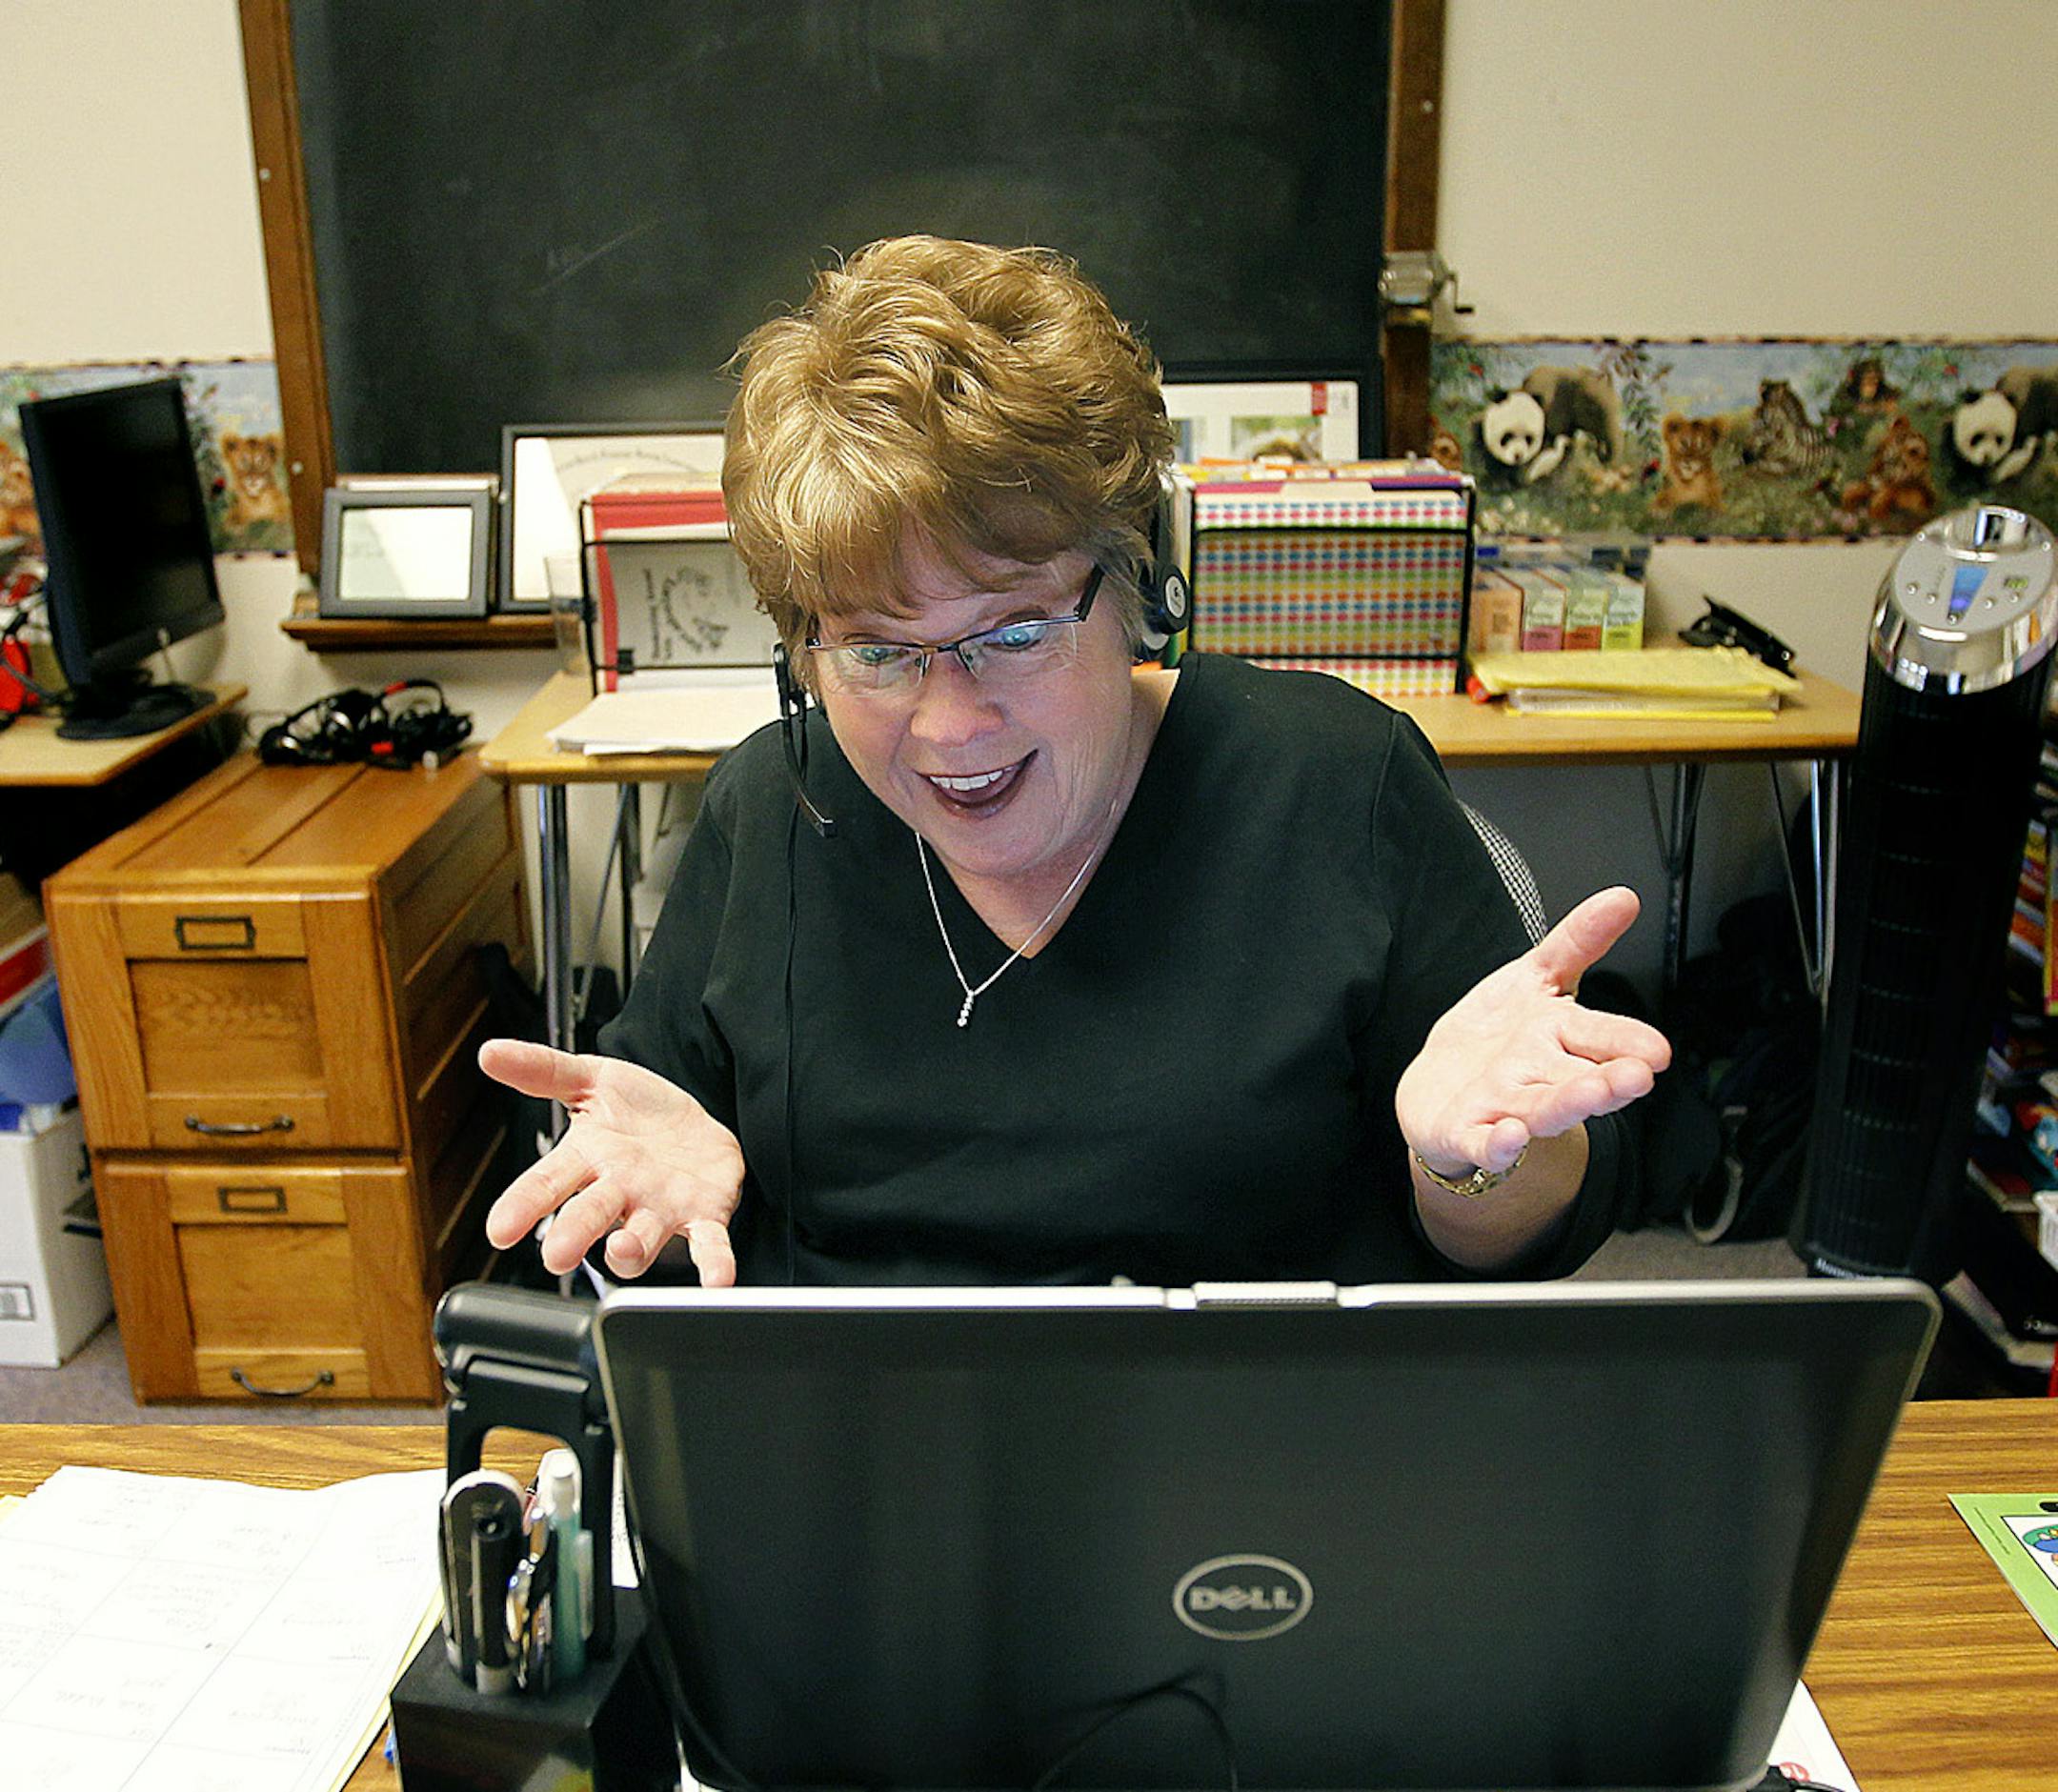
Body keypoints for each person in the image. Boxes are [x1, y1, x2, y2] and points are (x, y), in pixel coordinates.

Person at [482, 234, 1670, 1289]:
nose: (952, 726)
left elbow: (1515, 1244)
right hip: (879, 1465)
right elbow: (662, 1180)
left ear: (1139, 587)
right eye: (877, 653)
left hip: (1249, 1469)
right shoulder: (772, 813)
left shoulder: (1333, 786)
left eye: (1011, 632)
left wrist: (1474, 1168)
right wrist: (658, 1222)